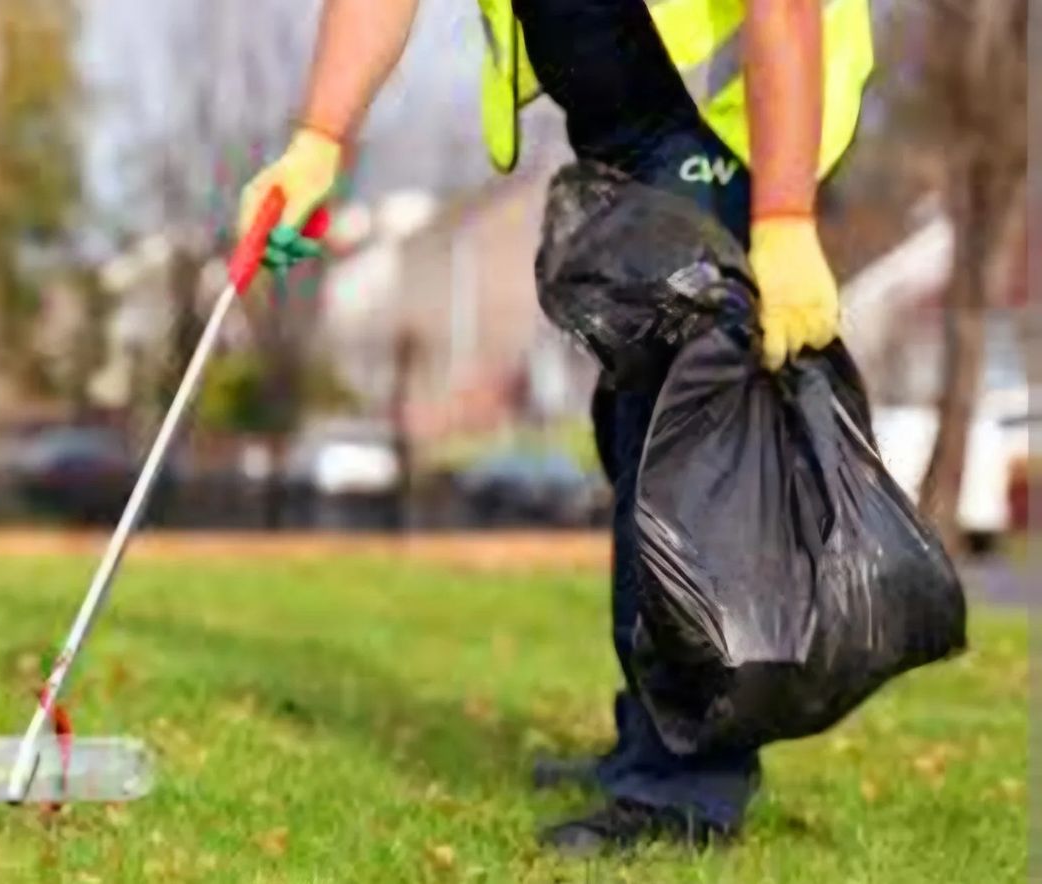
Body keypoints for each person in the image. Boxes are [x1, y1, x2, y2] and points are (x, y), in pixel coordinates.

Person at [238, 0, 872, 856]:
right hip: (628, 134)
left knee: (682, 454)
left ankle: (684, 794)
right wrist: (319, 138)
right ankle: (654, 739)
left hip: (724, 118)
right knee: (634, 427)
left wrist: (786, 218)